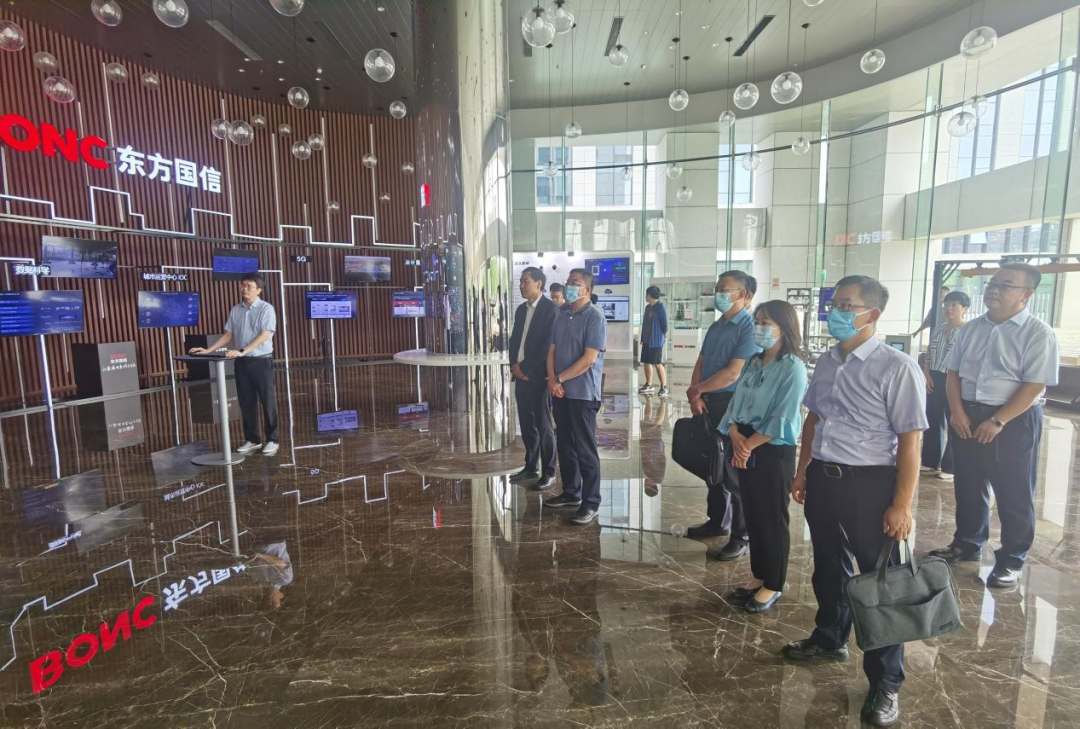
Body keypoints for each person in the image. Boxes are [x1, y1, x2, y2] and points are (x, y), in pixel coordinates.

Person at [783, 275, 927, 728]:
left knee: (880, 582)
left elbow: (910, 441)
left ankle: (886, 682)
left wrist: (901, 504)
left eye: (847, 305)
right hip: (824, 479)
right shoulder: (827, 361)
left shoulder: (896, 367)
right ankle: (829, 637)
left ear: (873, 314)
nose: (836, 313)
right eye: (834, 304)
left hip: (872, 484)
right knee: (828, 566)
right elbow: (814, 419)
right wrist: (803, 469)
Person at [930, 262, 1059, 589]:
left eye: (1006, 285)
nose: (995, 290)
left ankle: (1012, 559)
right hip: (967, 415)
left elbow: (1035, 384)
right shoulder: (971, 329)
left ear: (1026, 295)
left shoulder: (1037, 333)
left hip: (1013, 420)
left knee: (1014, 490)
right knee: (968, 484)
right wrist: (957, 412)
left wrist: (999, 420)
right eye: (993, 284)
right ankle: (967, 543)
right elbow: (953, 374)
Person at [720, 300, 808, 613]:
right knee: (753, 515)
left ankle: (774, 583)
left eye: (766, 322)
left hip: (771, 449)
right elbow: (735, 403)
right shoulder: (753, 362)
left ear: (784, 327)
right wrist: (734, 434)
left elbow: (782, 416)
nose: (759, 327)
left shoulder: (793, 367)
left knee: (772, 518)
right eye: (757, 321)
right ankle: (759, 575)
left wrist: (748, 445)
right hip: (743, 441)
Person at [684, 270, 759, 561]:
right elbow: (702, 361)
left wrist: (698, 390)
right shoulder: (717, 326)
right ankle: (717, 521)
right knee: (713, 466)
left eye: (724, 289)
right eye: (717, 289)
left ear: (743, 294)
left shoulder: (748, 327)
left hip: (734, 405)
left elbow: (733, 373)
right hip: (709, 401)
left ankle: (742, 535)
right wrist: (697, 393)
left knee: (733, 472)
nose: (718, 294)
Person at [189, 272, 279, 457]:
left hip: (261, 361)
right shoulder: (236, 310)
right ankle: (253, 439)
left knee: (267, 401)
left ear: (259, 290)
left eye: (249, 286)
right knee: (246, 402)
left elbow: (265, 335)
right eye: (242, 285)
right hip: (242, 363)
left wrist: (242, 350)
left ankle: (273, 439)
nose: (244, 288)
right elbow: (228, 334)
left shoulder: (266, 309)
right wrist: (209, 350)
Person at [544, 268, 607, 526]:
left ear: (587, 290)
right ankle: (571, 492)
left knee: (584, 448)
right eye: (569, 281)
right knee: (565, 444)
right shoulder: (561, 314)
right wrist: (552, 380)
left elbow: (589, 359)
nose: (570, 286)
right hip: (560, 391)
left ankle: (591, 501)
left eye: (575, 283)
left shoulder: (595, 317)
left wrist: (559, 379)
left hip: (583, 393)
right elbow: (551, 351)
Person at [508, 267, 560, 491]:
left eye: (526, 281)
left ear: (539, 284)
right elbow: (514, 340)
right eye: (521, 281)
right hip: (520, 375)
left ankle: (549, 471)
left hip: (539, 376)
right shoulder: (521, 310)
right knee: (527, 424)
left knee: (543, 424)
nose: (522, 285)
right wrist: (514, 366)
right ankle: (531, 466)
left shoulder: (550, 309)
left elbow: (547, 346)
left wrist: (525, 368)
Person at [921, 290, 971, 479]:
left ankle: (950, 467)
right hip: (934, 377)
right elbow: (930, 354)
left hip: (955, 380)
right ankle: (930, 462)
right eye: (946, 304)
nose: (948, 308)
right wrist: (927, 374)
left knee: (954, 421)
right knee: (932, 419)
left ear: (964, 309)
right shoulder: (939, 329)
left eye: (954, 305)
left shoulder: (967, 331)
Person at [638, 285, 669, 397]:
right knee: (646, 362)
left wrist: (662, 336)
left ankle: (664, 386)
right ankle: (649, 385)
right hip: (647, 340)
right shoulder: (648, 307)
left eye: (646, 294)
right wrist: (643, 338)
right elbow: (645, 324)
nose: (645, 296)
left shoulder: (660, 308)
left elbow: (665, 325)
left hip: (656, 341)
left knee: (657, 363)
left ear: (649, 295)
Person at [247, 541, 293, 611]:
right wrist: (261, 556)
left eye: (268, 605)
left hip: (255, 542)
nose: (269, 602)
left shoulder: (259, 580)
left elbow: (251, 563)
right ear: (281, 595)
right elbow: (282, 564)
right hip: (273, 540)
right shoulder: (285, 580)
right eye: (274, 603)